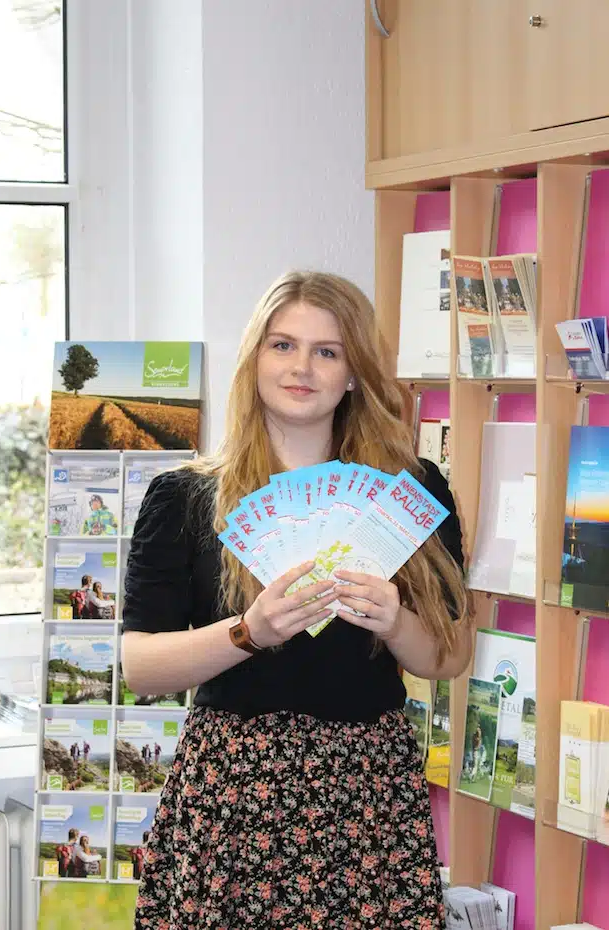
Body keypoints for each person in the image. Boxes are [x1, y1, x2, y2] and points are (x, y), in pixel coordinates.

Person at [122, 271, 474, 928]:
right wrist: (247, 631)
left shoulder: (414, 487)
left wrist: (396, 621)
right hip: (231, 789)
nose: (302, 367)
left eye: (327, 350)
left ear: (353, 372)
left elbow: (448, 659)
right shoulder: (186, 496)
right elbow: (141, 667)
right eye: (282, 345)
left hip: (368, 789)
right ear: (254, 358)